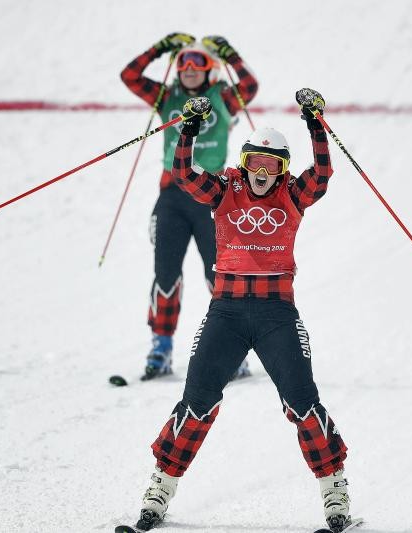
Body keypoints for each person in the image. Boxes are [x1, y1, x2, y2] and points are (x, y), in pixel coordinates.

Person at [127, 89, 354, 533]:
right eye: (256, 163)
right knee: (196, 402)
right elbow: (184, 174)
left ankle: (335, 491)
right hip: (226, 315)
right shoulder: (226, 188)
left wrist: (315, 125)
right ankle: (160, 487)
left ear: (283, 170)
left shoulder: (293, 194)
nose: (263, 173)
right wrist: (188, 129)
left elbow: (323, 174)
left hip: (277, 316)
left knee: (302, 403)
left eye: (273, 165)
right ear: (245, 163)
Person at [121, 33, 258, 380]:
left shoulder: (223, 99)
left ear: (210, 70)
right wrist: (159, 48)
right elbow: (130, 77)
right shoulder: (168, 98)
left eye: (199, 62)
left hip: (211, 197)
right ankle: (161, 348)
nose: (190, 68)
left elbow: (251, 84)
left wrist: (231, 54)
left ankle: (233, 351)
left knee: (218, 277)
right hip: (172, 196)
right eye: (183, 62)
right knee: (166, 275)